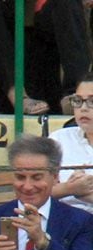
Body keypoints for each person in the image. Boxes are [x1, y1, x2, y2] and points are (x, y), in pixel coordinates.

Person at [0, 134, 93, 250]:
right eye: (20, 177)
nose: (27, 186)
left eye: (37, 177)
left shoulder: (80, 221)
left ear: (55, 177)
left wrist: (44, 243)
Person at [50, 72, 93, 214]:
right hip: (64, 222)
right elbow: (36, 191)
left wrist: (87, 195)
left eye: (92, 101)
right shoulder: (59, 139)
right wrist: (70, 189)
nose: (83, 108)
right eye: (78, 100)